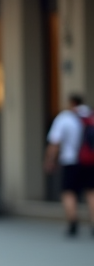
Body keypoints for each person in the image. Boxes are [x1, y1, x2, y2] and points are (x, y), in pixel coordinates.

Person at [45, 94, 94, 236]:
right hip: (90, 161)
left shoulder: (65, 118)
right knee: (91, 192)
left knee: (69, 192)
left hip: (70, 161)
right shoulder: (90, 116)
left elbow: (54, 142)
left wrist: (50, 160)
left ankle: (73, 223)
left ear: (71, 103)